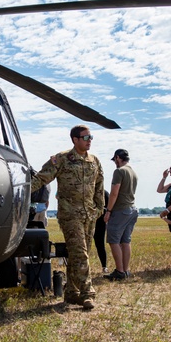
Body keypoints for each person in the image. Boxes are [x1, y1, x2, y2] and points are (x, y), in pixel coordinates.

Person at [31, 124, 105, 309]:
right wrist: (19, 192)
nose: (90, 141)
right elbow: (41, 178)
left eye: (91, 137)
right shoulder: (62, 159)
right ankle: (88, 293)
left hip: (89, 215)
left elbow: (99, 185)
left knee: (79, 254)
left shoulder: (94, 160)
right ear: (75, 139)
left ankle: (72, 293)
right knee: (80, 253)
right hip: (70, 215)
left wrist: (99, 209)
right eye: (86, 138)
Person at [104, 150, 138, 280]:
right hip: (132, 209)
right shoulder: (133, 172)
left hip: (120, 210)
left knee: (113, 241)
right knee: (125, 241)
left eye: (114, 160)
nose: (114, 163)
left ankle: (119, 271)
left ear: (118, 158)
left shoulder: (119, 171)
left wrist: (109, 210)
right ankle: (125, 270)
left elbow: (114, 193)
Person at [94, 190, 110, 273]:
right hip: (89, 222)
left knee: (100, 245)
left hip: (100, 223)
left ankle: (104, 266)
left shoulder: (105, 194)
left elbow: (109, 208)